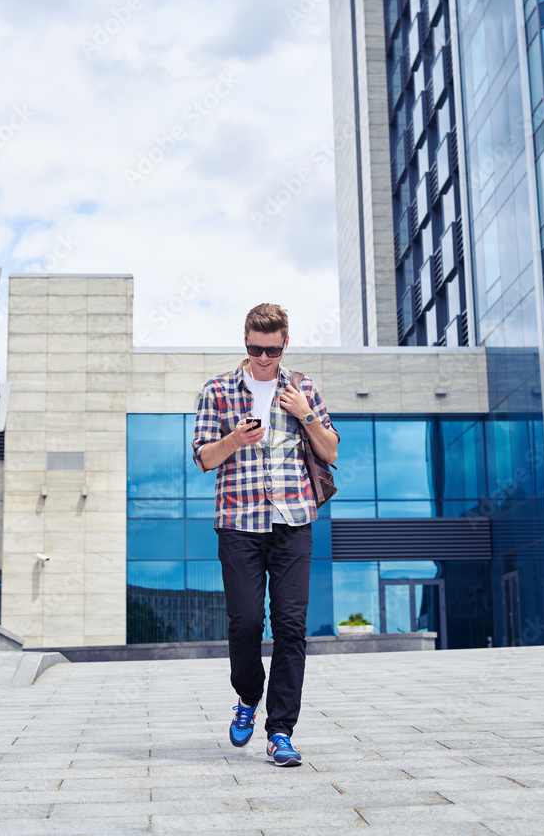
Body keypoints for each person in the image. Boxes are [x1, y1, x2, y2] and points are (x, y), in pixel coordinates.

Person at [192, 303, 339, 766]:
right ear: (245, 341)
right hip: (238, 523)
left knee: (292, 628)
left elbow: (331, 449)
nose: (262, 358)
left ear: (284, 345)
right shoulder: (217, 390)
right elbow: (202, 458)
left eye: (270, 351)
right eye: (254, 348)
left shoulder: (303, 387)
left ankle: (280, 731)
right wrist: (233, 440)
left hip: (293, 521)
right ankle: (247, 697)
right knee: (247, 624)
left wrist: (306, 415)